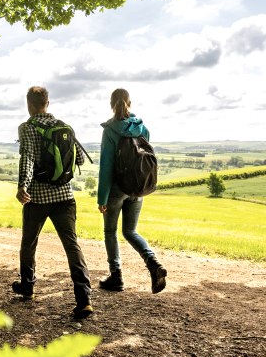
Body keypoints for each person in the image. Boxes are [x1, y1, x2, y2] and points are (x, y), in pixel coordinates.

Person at [13, 86, 93, 319]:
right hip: (65, 196)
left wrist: (23, 187)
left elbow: (27, 158)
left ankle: (27, 287)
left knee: (29, 243)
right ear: (48, 103)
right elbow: (78, 158)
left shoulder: (27, 127)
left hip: (37, 197)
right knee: (72, 246)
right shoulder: (65, 127)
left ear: (29, 105)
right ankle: (84, 300)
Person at [97, 88, 167, 294]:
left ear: (111, 104)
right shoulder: (142, 128)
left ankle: (116, 277)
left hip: (117, 189)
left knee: (110, 231)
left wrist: (102, 197)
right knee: (130, 231)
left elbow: (106, 166)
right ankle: (154, 264)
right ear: (130, 103)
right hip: (138, 187)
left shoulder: (110, 129)